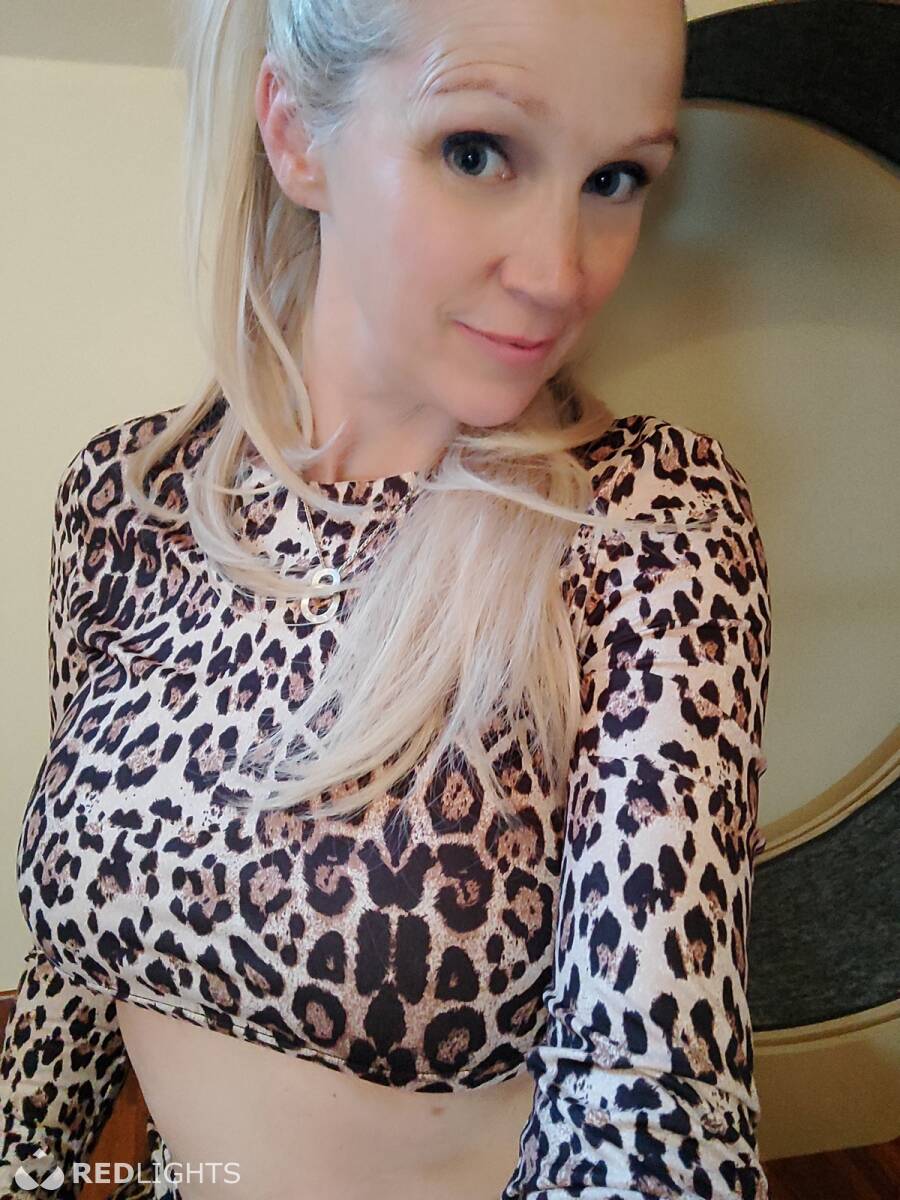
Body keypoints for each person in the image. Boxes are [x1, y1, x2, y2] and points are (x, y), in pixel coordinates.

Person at [1, 0, 772, 1197]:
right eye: (476, 151)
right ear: (295, 134)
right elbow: (74, 966)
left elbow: (650, 1096)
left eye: (616, 178)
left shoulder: (647, 521)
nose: (560, 273)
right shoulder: (127, 498)